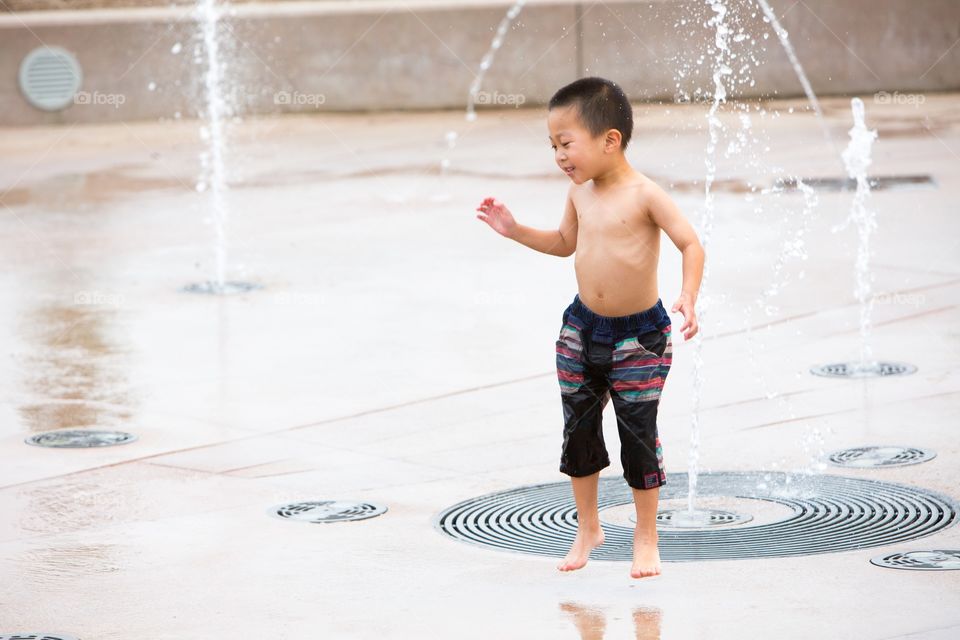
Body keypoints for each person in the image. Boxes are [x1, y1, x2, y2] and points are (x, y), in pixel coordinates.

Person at [475, 77, 704, 579]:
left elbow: (691, 243)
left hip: (639, 336)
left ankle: (647, 538)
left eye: (566, 143)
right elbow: (563, 243)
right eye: (553, 145)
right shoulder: (578, 192)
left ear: (610, 140)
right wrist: (514, 231)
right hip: (581, 328)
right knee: (578, 429)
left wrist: (688, 295)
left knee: (637, 435)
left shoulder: (646, 194)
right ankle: (589, 527)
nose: (559, 155)